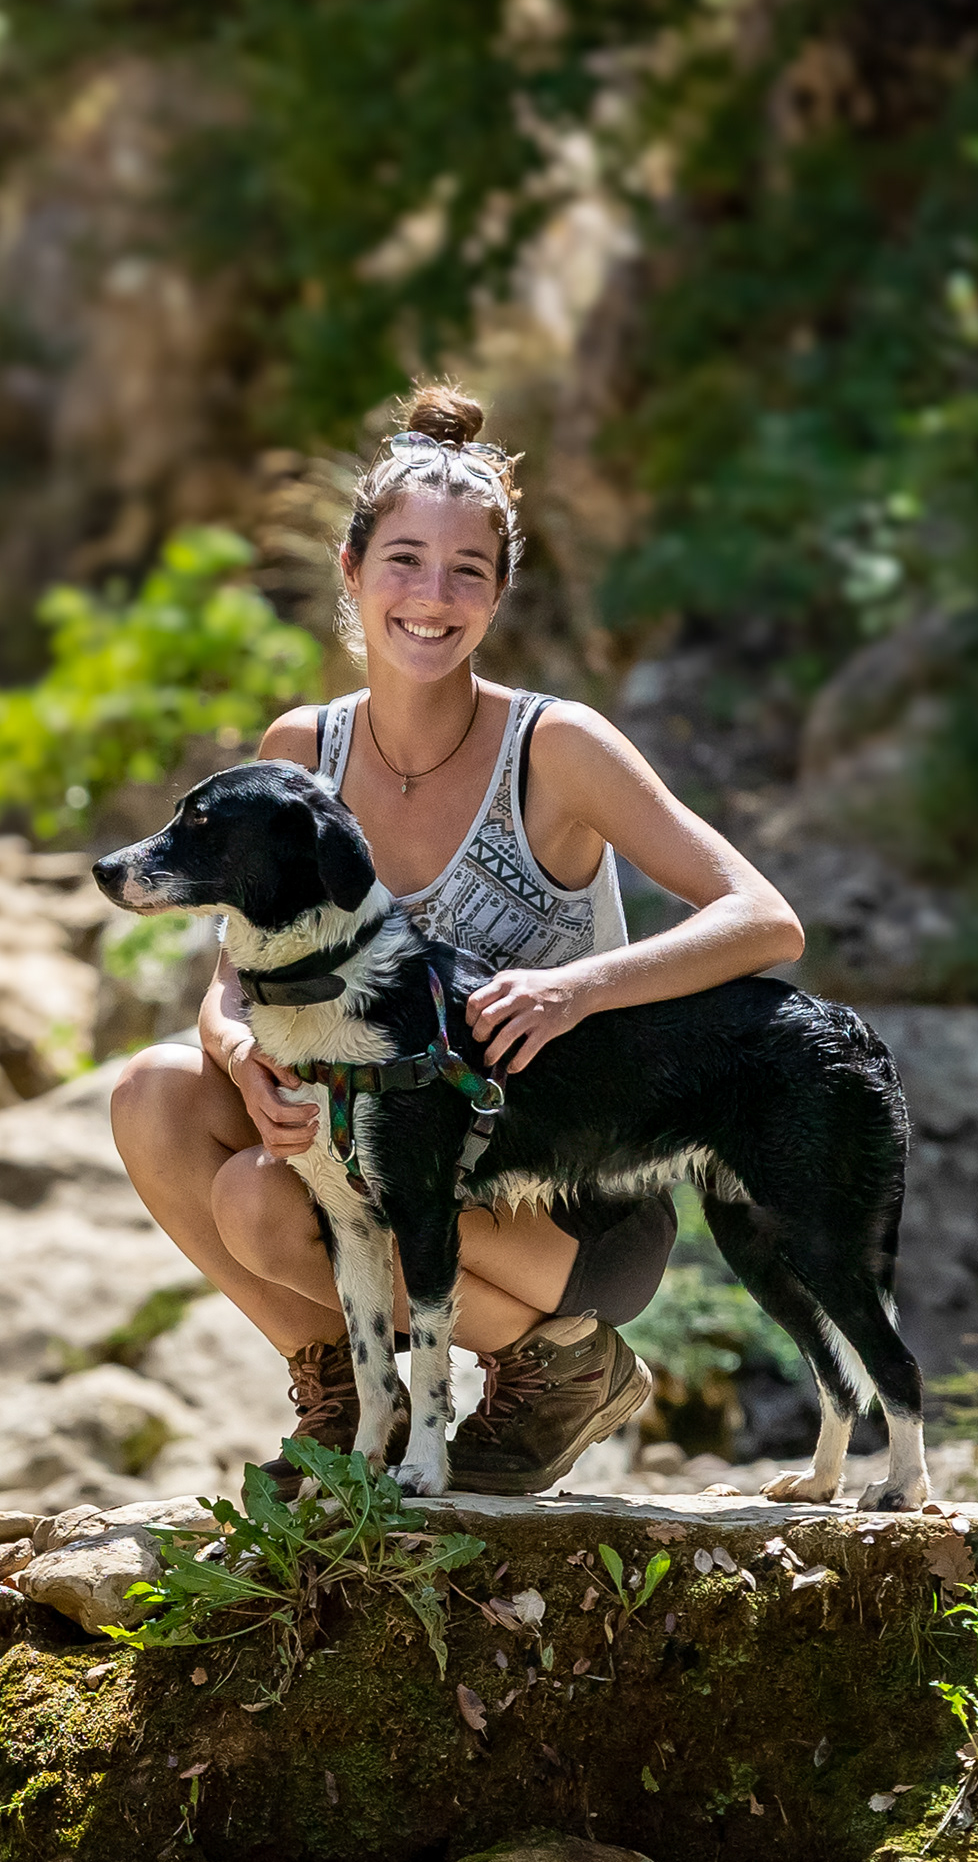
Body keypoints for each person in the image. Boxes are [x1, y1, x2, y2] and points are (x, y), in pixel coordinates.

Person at [107, 381, 807, 1490]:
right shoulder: (302, 748)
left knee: (267, 1197)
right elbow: (234, 976)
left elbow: (763, 919)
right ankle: (343, 1393)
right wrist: (242, 1059)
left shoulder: (559, 747)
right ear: (351, 571)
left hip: (558, 1180)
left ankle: (561, 1365)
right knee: (152, 1093)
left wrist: (576, 989)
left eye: (465, 572)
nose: (431, 597)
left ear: (497, 596)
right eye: (403, 562)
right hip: (385, 1144)